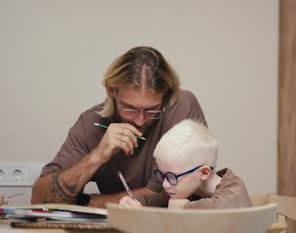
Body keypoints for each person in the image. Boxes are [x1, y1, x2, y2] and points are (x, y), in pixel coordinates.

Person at [31, 46, 207, 208]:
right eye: (130, 108)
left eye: (152, 110)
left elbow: (165, 196)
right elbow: (39, 200)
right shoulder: (90, 123)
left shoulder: (182, 106)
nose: (140, 120)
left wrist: (85, 202)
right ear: (111, 91)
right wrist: (96, 157)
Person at [119, 119, 252, 209]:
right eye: (163, 175)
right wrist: (132, 203)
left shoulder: (233, 193)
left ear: (204, 173)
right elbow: (154, 201)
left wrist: (183, 208)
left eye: (172, 177)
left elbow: (221, 208)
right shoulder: (188, 189)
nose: (165, 184)